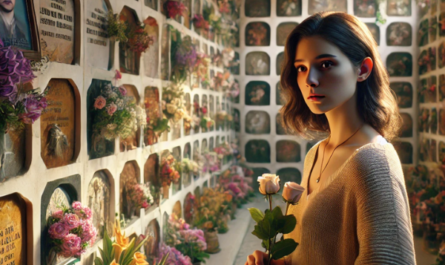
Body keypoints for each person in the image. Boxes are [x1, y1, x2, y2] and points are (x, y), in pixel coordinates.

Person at [245, 12, 416, 265]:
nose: (310, 80)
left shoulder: (374, 163)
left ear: (363, 69)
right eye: (301, 68)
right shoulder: (316, 153)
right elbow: (312, 251)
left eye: (326, 64)